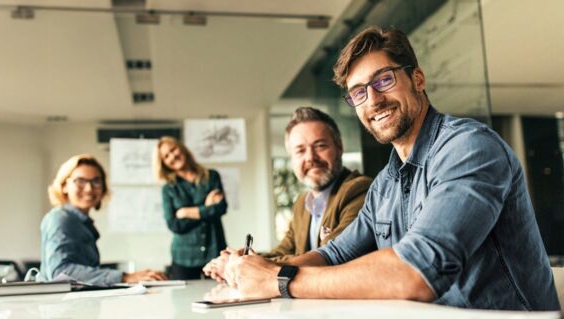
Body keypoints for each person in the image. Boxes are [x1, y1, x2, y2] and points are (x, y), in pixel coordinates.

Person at [225, 26, 560, 310]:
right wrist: (256, 270)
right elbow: (335, 253)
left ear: (417, 78)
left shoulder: (468, 148)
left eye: (383, 80)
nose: (372, 100)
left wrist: (278, 280)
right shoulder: (386, 182)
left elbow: (418, 271)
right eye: (358, 93)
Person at [202, 107, 372, 282]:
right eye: (300, 150)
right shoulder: (302, 203)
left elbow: (332, 256)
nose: (310, 158)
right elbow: (283, 251)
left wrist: (241, 265)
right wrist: (239, 259)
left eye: (320, 146)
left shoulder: (358, 190)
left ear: (339, 147)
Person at [39, 154, 167, 285]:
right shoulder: (61, 219)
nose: (89, 188)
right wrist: (124, 277)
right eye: (80, 181)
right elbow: (59, 272)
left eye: (96, 181)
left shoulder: (81, 223)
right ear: (64, 185)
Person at [155, 136, 227, 280]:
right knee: (182, 301)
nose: (172, 156)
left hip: (214, 251)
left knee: (221, 297)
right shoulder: (168, 188)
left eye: (173, 149)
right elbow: (174, 225)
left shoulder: (212, 176)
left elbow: (221, 208)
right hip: (183, 258)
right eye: (166, 156)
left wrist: (187, 212)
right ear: (163, 163)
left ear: (181, 148)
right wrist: (206, 208)